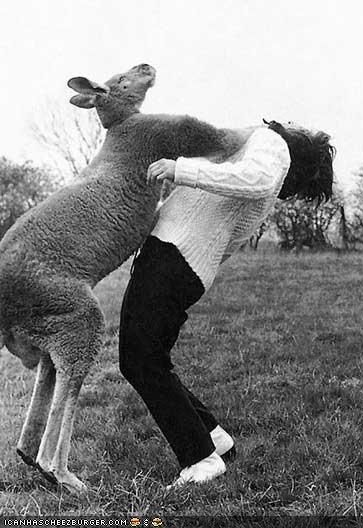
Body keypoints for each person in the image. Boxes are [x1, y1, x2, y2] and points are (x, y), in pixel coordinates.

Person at [119, 120, 334, 489]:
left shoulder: (271, 144)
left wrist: (180, 169)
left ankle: (200, 460)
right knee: (149, 358)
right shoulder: (256, 153)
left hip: (173, 257)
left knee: (139, 359)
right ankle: (214, 438)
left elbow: (256, 179)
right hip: (180, 263)